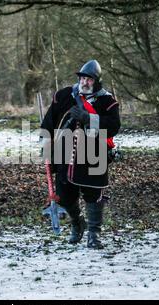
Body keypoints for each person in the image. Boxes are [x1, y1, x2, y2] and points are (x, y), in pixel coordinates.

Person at [40, 59, 121, 249]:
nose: (85, 83)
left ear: (97, 81)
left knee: (93, 195)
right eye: (83, 78)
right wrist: (45, 144)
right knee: (64, 196)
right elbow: (49, 123)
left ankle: (94, 235)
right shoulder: (63, 96)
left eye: (90, 80)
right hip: (64, 153)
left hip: (94, 154)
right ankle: (78, 223)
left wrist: (88, 118)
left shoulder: (107, 101)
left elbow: (113, 127)